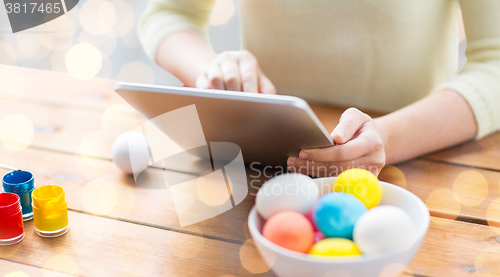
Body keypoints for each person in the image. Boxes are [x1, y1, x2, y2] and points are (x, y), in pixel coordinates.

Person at [139, 0, 500, 177]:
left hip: (411, 172)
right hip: (261, 166)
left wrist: (388, 138)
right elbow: (169, 13)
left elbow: (495, 64)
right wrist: (213, 71)